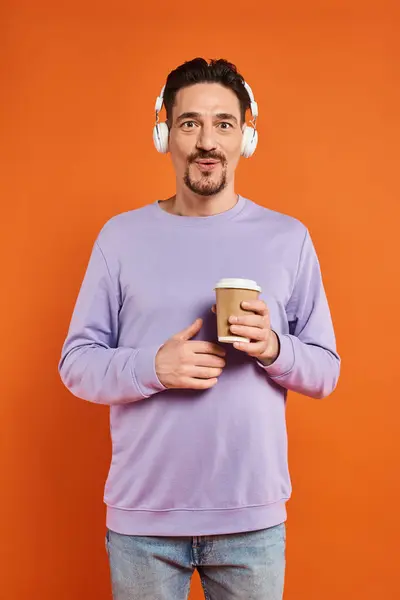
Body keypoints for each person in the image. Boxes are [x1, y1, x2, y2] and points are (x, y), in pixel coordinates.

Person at [59, 57, 341, 600]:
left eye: (224, 123)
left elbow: (326, 370)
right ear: (164, 132)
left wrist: (275, 348)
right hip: (143, 524)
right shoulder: (120, 238)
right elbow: (76, 363)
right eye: (190, 123)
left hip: (251, 523)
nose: (206, 140)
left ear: (245, 137)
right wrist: (152, 367)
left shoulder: (288, 238)